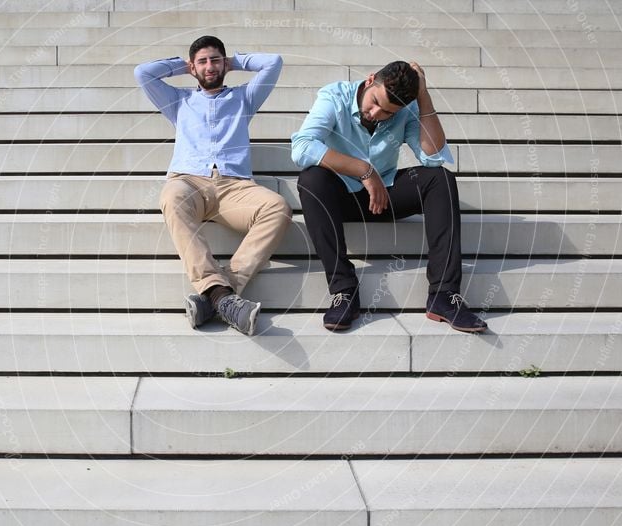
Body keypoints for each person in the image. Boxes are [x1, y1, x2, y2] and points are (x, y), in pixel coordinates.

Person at [291, 60, 487, 333]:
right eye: (374, 102)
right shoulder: (334, 96)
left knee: (440, 179)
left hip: (383, 198)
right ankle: (343, 289)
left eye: (387, 112)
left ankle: (443, 295)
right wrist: (364, 170)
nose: (375, 113)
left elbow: (432, 157)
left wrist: (423, 97)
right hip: (341, 198)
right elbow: (302, 147)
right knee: (311, 179)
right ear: (370, 80)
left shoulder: (405, 111)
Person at [134, 36, 291, 336]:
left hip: (235, 188)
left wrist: (235, 61)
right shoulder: (179, 102)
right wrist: (184, 66)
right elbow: (143, 73)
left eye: (215, 60)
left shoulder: (244, 98)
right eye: (203, 62)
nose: (210, 66)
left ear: (224, 63)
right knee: (171, 196)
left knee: (278, 208)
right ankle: (224, 298)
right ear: (194, 67)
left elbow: (274, 62)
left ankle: (216, 294)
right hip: (189, 182)